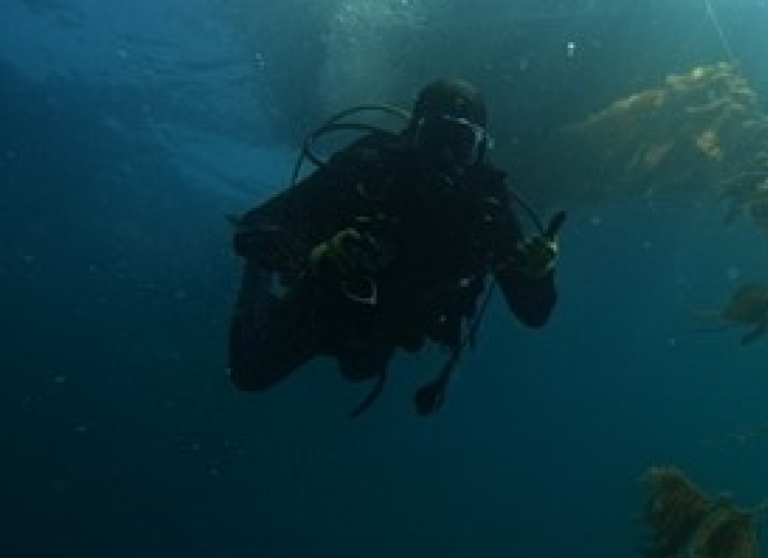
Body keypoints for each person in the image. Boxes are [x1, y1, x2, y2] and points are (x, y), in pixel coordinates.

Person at [228, 78, 560, 415]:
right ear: (413, 134)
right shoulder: (370, 165)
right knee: (248, 373)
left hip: (388, 326)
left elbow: (534, 314)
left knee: (359, 369)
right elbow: (255, 227)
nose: (446, 155)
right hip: (324, 300)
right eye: (436, 138)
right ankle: (258, 283)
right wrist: (317, 254)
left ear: (480, 149)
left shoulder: (488, 206)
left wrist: (539, 276)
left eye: (462, 143)